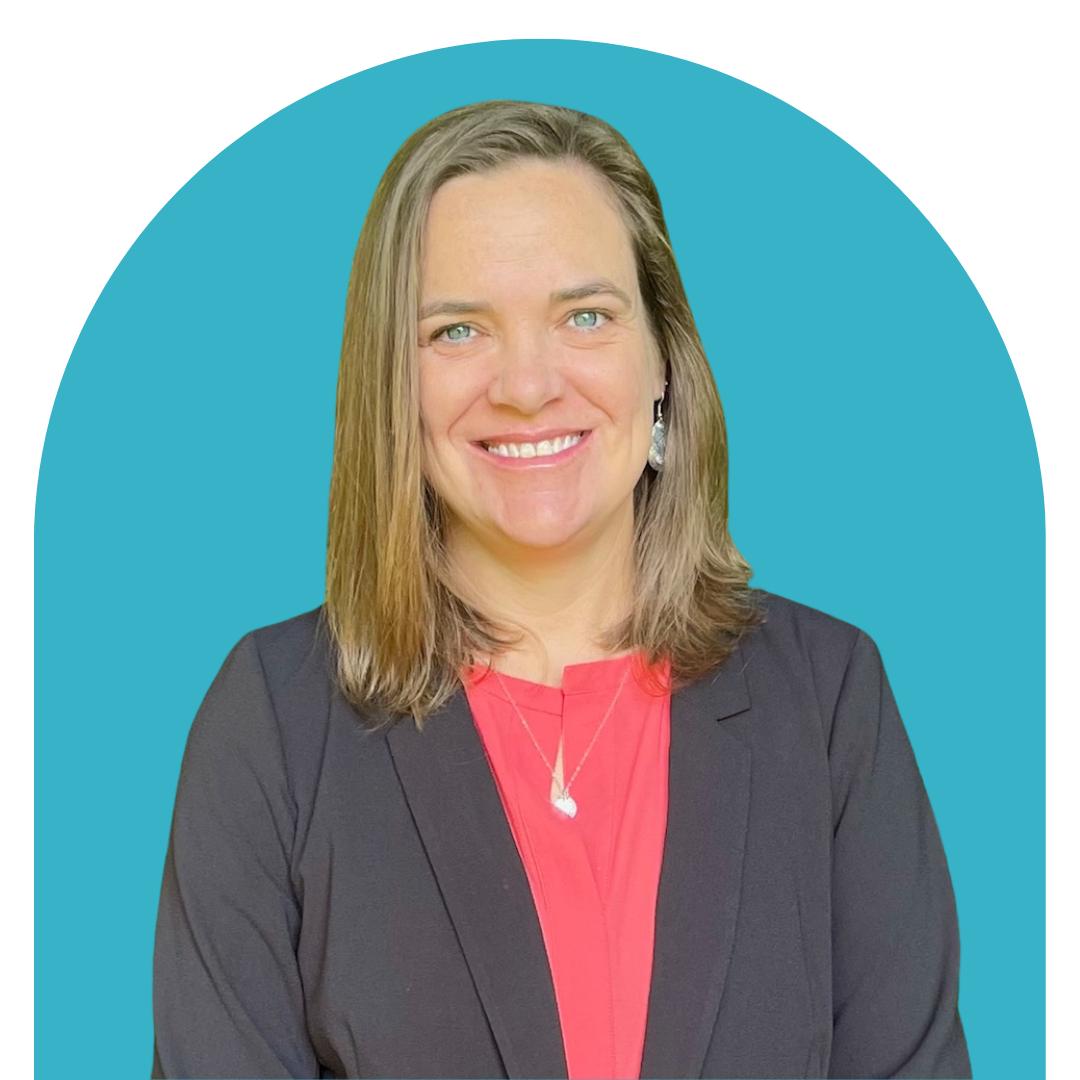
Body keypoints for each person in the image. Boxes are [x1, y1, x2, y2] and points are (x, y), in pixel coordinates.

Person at [151, 100, 972, 1080]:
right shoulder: (274, 722)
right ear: (392, 387)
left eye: (585, 315)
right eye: (458, 330)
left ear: (662, 358)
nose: (528, 384)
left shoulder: (830, 696)